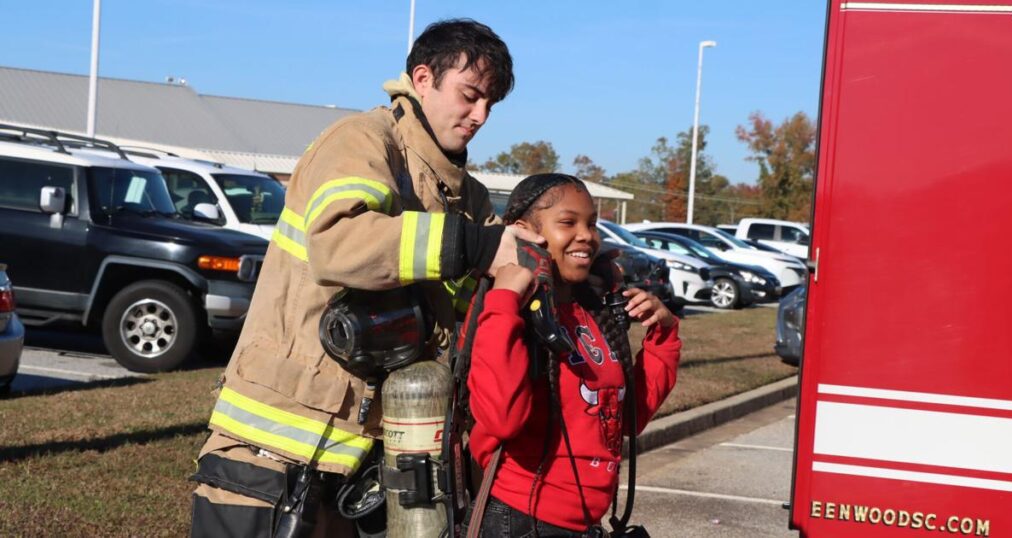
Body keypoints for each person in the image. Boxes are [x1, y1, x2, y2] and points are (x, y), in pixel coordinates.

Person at [189, 19, 543, 537]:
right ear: (423, 78)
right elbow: (340, 245)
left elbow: (482, 286)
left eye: (491, 104)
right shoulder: (362, 143)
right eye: (470, 96)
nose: (480, 116)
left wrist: (567, 264)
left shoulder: (462, 192)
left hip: (366, 459)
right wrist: (472, 245)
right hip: (272, 448)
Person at [467, 174, 682, 536]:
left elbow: (629, 416)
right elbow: (501, 419)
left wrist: (663, 336)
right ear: (523, 231)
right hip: (522, 522)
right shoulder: (506, 313)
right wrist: (504, 301)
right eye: (568, 222)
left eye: (592, 224)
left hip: (583, 522)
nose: (587, 235)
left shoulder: (591, 314)